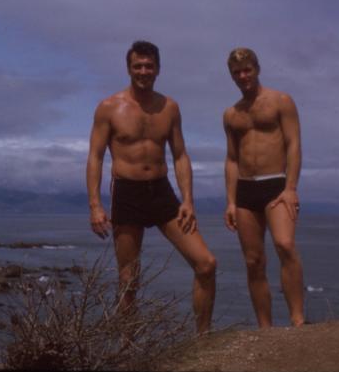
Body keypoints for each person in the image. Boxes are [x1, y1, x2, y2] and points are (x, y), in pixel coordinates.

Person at [86, 40, 217, 332]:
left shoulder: (169, 107)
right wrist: (95, 206)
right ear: (128, 68)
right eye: (138, 66)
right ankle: (127, 351)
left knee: (206, 263)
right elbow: (95, 157)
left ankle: (204, 342)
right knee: (129, 280)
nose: (143, 71)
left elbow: (180, 155)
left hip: (161, 192)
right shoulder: (109, 108)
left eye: (149, 66)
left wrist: (188, 201)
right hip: (127, 194)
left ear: (158, 69)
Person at [223, 47, 305, 327]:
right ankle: (265, 329)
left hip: (276, 185)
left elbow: (294, 144)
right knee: (253, 261)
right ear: (231, 76)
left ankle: (297, 320)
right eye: (237, 72)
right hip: (245, 190)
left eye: (247, 69)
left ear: (257, 69)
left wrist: (291, 187)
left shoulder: (281, 101)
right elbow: (232, 159)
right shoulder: (231, 114)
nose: (243, 76)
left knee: (285, 245)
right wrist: (231, 202)